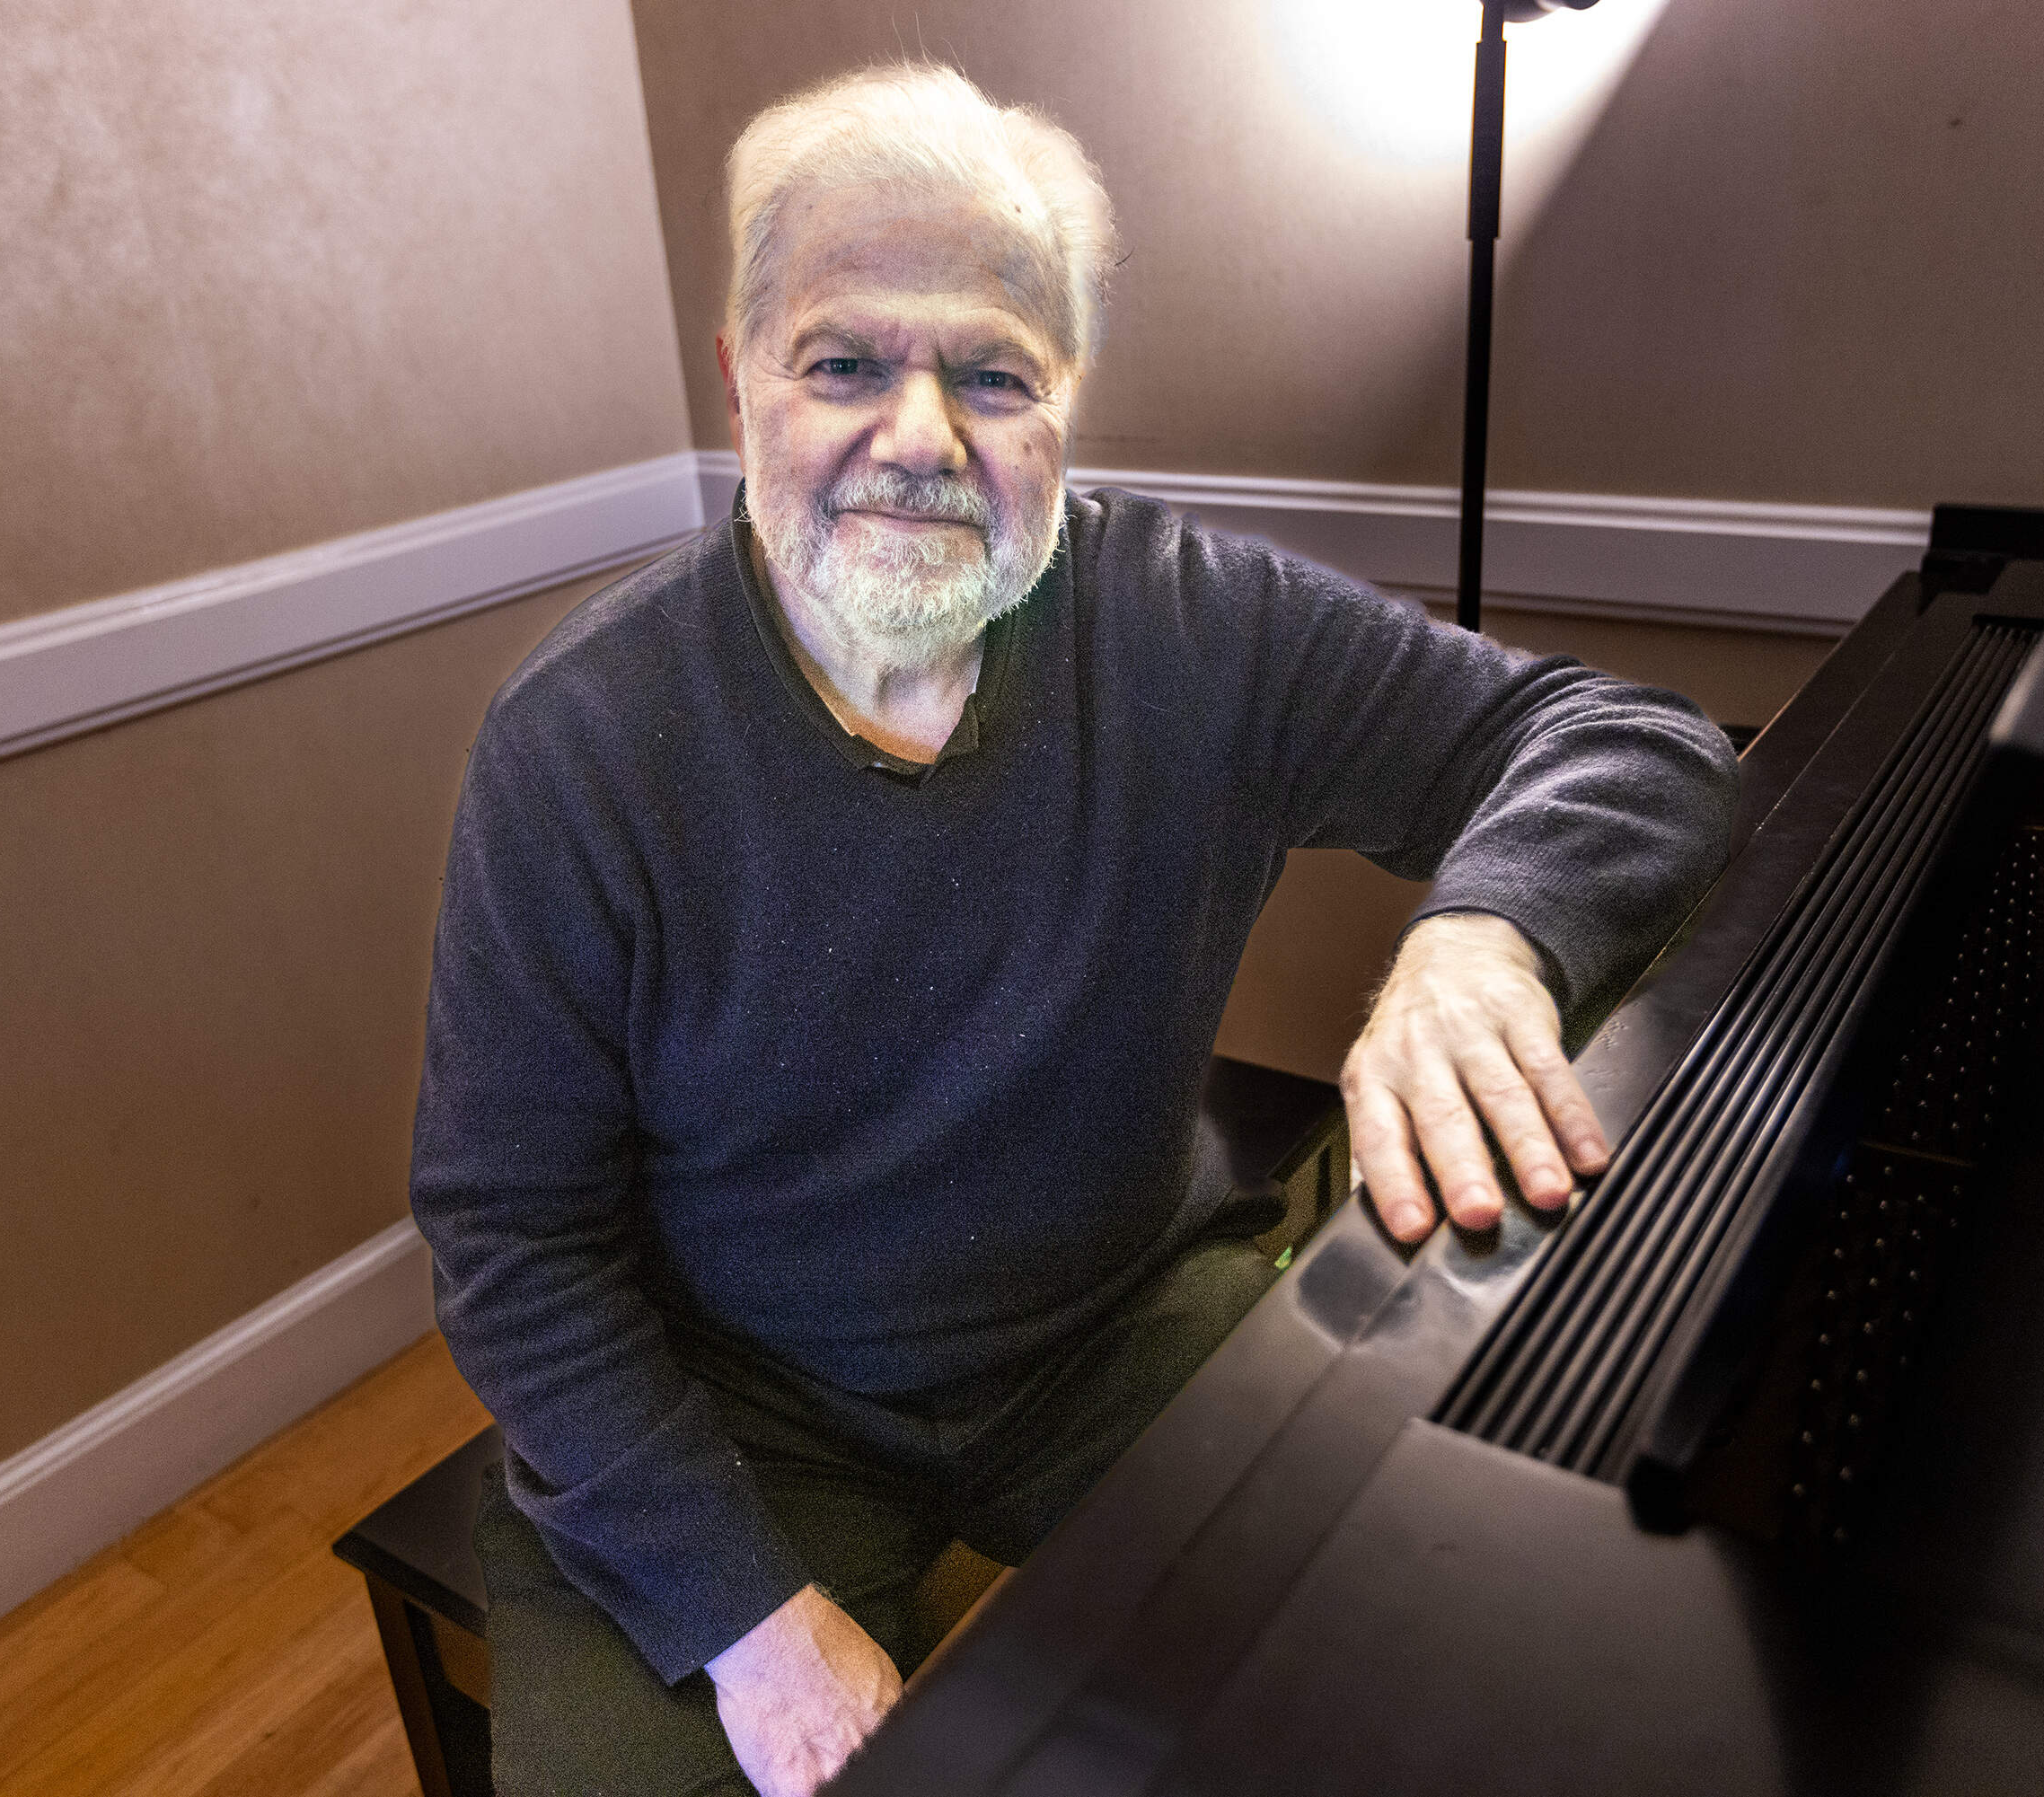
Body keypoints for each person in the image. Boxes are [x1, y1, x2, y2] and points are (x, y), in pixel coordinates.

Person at [410, 61, 1737, 1797]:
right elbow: (509, 1235)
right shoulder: (576, 742)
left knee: (1414, 1693)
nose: (919, 437)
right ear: (736, 382)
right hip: (738, 1405)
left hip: (1123, 1326)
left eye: (991, 376)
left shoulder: (1194, 624)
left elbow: (1639, 743)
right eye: (845, 362)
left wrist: (1483, 934)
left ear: (1069, 406)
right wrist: (745, 1616)